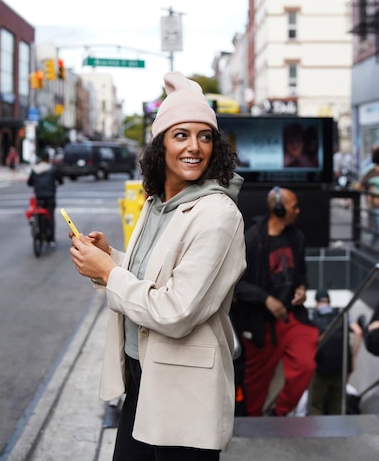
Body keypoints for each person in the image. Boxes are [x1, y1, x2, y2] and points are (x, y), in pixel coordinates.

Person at [68, 71, 246, 461]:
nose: (194, 147)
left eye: (204, 136)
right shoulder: (156, 203)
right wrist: (110, 258)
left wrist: (107, 272)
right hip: (141, 377)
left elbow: (176, 310)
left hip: (185, 389)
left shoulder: (218, 214)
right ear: (160, 144)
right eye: (181, 134)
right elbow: (153, 279)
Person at [230, 186, 319, 417]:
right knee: (254, 388)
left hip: (290, 318)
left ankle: (279, 414)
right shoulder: (251, 239)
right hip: (259, 325)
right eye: (293, 207)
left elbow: (301, 273)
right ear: (278, 209)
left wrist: (301, 288)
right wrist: (266, 299)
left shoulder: (296, 237)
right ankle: (253, 427)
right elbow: (235, 283)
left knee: (305, 365)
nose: (298, 211)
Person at [309, 289, 363, 415]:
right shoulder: (342, 314)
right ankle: (337, 432)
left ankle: (315, 433)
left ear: (316, 302)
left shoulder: (312, 317)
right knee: (338, 402)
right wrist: (352, 358)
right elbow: (358, 332)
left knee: (316, 404)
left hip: (320, 366)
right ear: (329, 301)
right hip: (341, 365)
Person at [27, 149, 63, 247]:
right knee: (50, 217)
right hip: (50, 196)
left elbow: (29, 182)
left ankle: (36, 225)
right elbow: (60, 180)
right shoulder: (53, 169)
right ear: (48, 159)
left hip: (39, 196)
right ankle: (51, 239)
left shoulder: (35, 169)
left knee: (36, 211)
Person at [358, 147, 379, 246]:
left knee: (376, 229)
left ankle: (369, 247)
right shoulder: (371, 170)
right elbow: (362, 185)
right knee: (376, 227)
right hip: (374, 205)